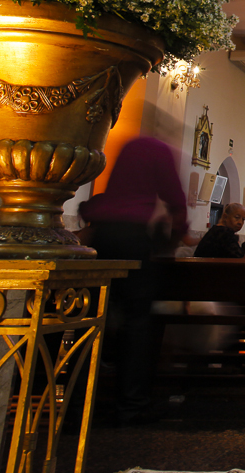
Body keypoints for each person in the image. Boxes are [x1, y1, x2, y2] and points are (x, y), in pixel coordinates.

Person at [77, 135, 187, 425]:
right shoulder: (159, 148)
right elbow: (175, 200)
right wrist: (172, 240)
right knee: (137, 321)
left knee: (91, 319)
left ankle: (78, 407)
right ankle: (131, 405)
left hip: (102, 234)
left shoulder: (129, 147)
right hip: (134, 237)